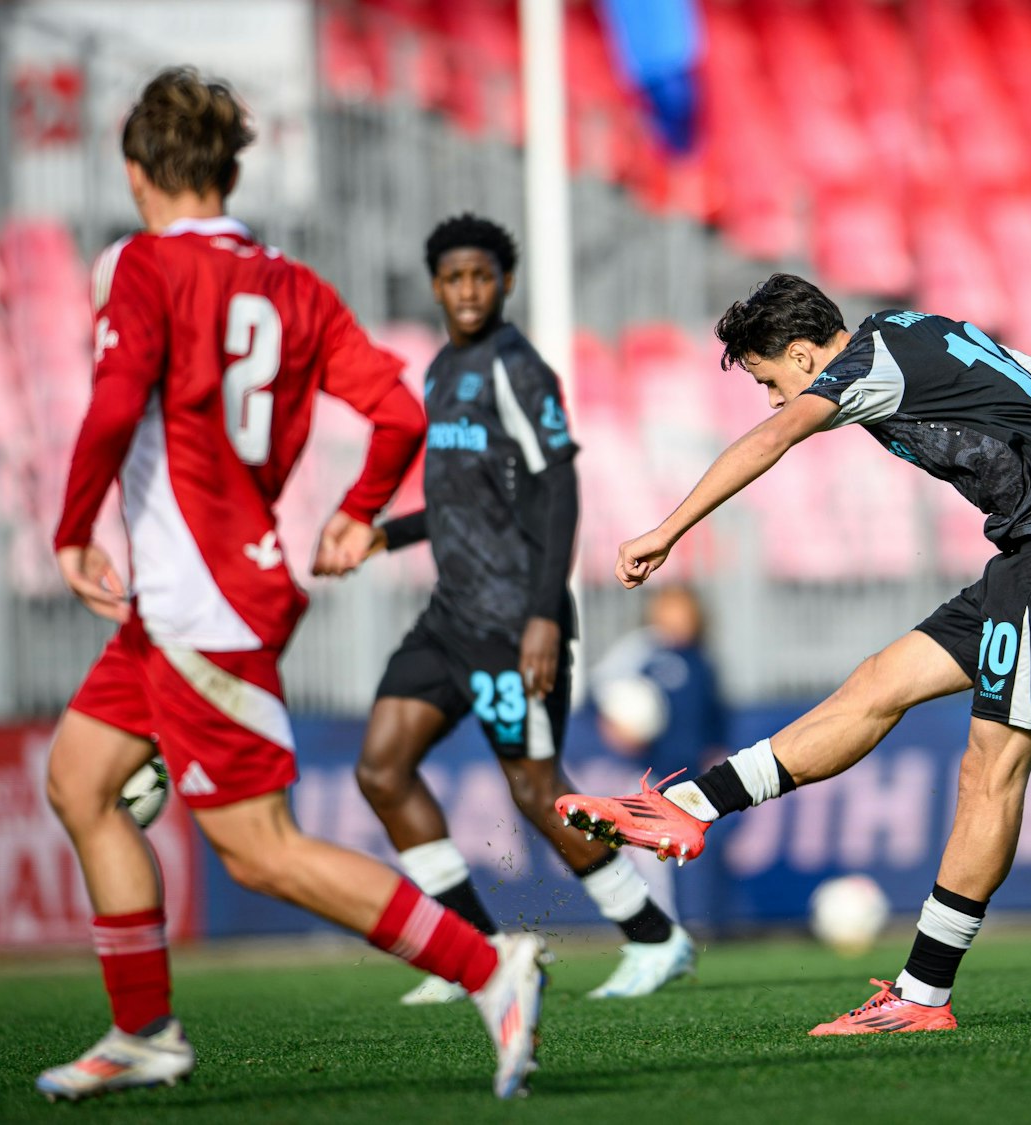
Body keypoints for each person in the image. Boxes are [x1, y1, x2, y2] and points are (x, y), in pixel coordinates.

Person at [557, 274, 1031, 1034]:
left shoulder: (860, 366)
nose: (773, 399)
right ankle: (689, 806)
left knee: (990, 769)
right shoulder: (927, 329)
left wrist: (668, 528)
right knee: (877, 685)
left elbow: (774, 439)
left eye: (770, 381)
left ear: (801, 354)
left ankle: (921, 997)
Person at [39, 69, 541, 1102]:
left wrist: (71, 524)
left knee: (262, 852)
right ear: (227, 171)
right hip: (202, 590)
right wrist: (356, 509)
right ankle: (143, 1034)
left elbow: (112, 402)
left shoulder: (137, 265)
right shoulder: (293, 286)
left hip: (198, 598)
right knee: (81, 782)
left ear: (136, 173)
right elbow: (398, 414)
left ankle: (489, 968)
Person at [356, 214, 693, 1004]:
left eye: (483, 276)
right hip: (448, 616)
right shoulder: (441, 369)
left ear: (503, 283)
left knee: (538, 790)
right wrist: (386, 536)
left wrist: (545, 612)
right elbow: (458, 502)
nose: (469, 290)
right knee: (381, 767)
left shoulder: (517, 366)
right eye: (454, 277)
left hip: (514, 619)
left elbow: (557, 487)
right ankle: (473, 948)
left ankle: (655, 934)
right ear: (436, 285)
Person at [588, 584, 732, 925]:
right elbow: (601, 690)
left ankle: (706, 921)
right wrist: (614, 724)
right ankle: (660, 925)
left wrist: (718, 753)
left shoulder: (702, 663)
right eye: (669, 612)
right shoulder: (643, 653)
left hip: (695, 776)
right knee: (650, 856)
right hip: (650, 775)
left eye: (683, 613)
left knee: (699, 854)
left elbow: (716, 717)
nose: (677, 621)